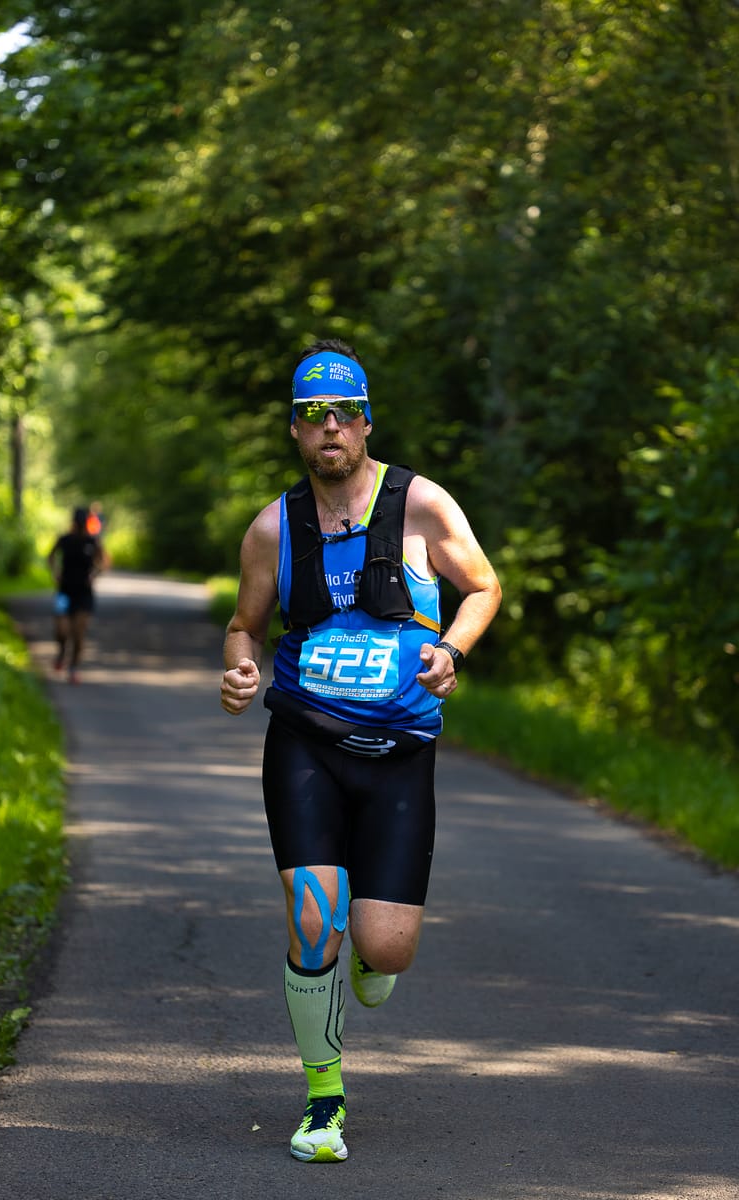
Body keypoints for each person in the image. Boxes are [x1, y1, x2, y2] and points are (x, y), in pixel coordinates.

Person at [220, 338, 501, 1163]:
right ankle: (322, 1101)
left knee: (384, 949)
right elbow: (246, 625)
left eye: (343, 412)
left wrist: (452, 649)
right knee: (314, 920)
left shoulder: (421, 505)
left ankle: (370, 956)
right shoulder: (275, 528)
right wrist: (239, 669)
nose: (330, 427)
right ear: (297, 431)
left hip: (403, 748)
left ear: (366, 420)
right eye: (313, 415)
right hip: (305, 737)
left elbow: (484, 585)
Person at [47, 506, 105, 683]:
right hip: (64, 592)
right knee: (61, 631)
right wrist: (55, 572)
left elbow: (102, 561)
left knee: (78, 633)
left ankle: (73, 668)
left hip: (84, 595)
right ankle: (62, 653)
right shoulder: (64, 540)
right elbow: (50, 557)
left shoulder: (92, 541)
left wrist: (94, 574)